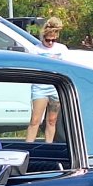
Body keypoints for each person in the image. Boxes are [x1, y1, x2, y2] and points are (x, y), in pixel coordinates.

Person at [26, 15, 69, 143]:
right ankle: (28, 147)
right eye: (47, 40)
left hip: (56, 87)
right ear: (43, 37)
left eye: (53, 40)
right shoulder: (35, 50)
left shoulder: (62, 49)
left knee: (52, 120)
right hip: (40, 87)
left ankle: (48, 145)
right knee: (35, 120)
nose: (50, 43)